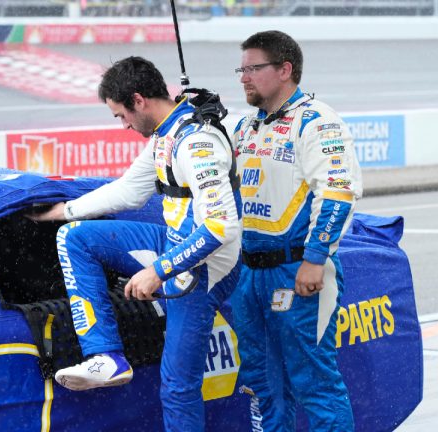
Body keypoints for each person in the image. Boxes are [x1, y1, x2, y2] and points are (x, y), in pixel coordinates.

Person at [30, 56, 242, 432]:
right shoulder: (167, 133)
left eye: (120, 115)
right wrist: (62, 212)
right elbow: (129, 191)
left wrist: (158, 271)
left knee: (178, 387)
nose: (123, 124)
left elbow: (221, 227)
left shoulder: (197, 143)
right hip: (173, 243)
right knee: (75, 236)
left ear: (139, 100)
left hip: (204, 267)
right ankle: (106, 357)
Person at [230, 30, 362, 431]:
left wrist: (315, 259)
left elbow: (338, 192)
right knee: (264, 387)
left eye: (253, 68)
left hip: (298, 271)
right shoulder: (244, 127)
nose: (243, 78)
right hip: (250, 275)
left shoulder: (318, 120)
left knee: (315, 385)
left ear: (285, 70)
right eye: (242, 69)